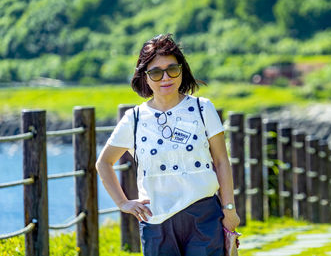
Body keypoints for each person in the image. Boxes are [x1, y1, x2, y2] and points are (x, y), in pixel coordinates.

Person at [96, 33, 240, 256]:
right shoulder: (134, 119)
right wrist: (123, 203)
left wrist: (229, 209)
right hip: (156, 221)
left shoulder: (203, 109)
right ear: (145, 77)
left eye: (172, 69)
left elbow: (221, 161)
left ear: (182, 69)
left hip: (204, 216)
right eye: (156, 72)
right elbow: (104, 163)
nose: (166, 78)